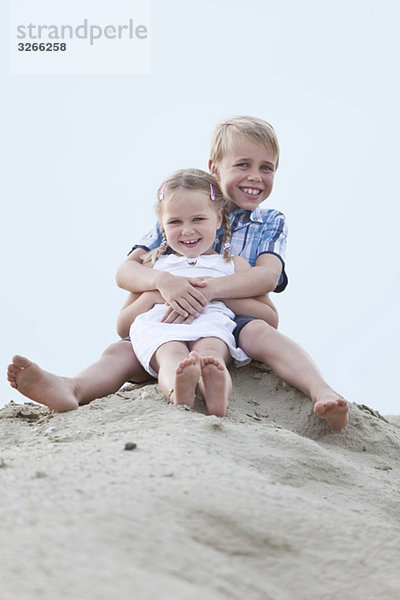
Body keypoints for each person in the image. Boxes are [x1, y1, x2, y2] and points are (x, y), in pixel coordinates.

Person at [7, 115, 348, 430]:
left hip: (230, 317)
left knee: (259, 334)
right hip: (164, 319)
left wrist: (210, 290)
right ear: (215, 169)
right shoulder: (181, 210)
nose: (255, 176)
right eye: (243, 164)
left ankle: (321, 390)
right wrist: (162, 283)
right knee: (120, 352)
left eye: (266, 167)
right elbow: (127, 272)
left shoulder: (268, 222)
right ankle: (71, 387)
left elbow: (267, 278)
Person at [127, 168, 267, 416]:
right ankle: (177, 393)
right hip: (163, 330)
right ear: (162, 226)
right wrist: (155, 294)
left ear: (218, 218)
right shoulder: (153, 264)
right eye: (175, 222)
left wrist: (214, 293)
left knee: (211, 354)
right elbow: (122, 324)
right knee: (172, 355)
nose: (187, 230)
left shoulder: (233, 265)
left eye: (198, 219)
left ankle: (218, 397)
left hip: (212, 327)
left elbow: (268, 316)